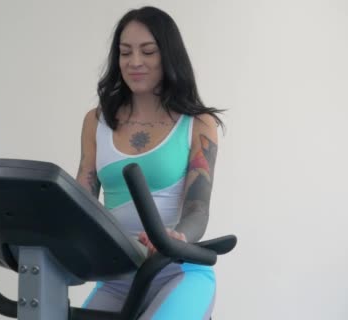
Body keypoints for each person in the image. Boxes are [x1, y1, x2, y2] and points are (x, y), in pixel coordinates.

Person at [75, 6, 224, 319]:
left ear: (167, 56)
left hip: (179, 270)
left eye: (148, 51)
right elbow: (82, 201)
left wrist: (177, 236)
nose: (135, 62)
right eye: (125, 52)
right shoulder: (96, 122)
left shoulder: (198, 125)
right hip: (120, 274)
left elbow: (198, 209)